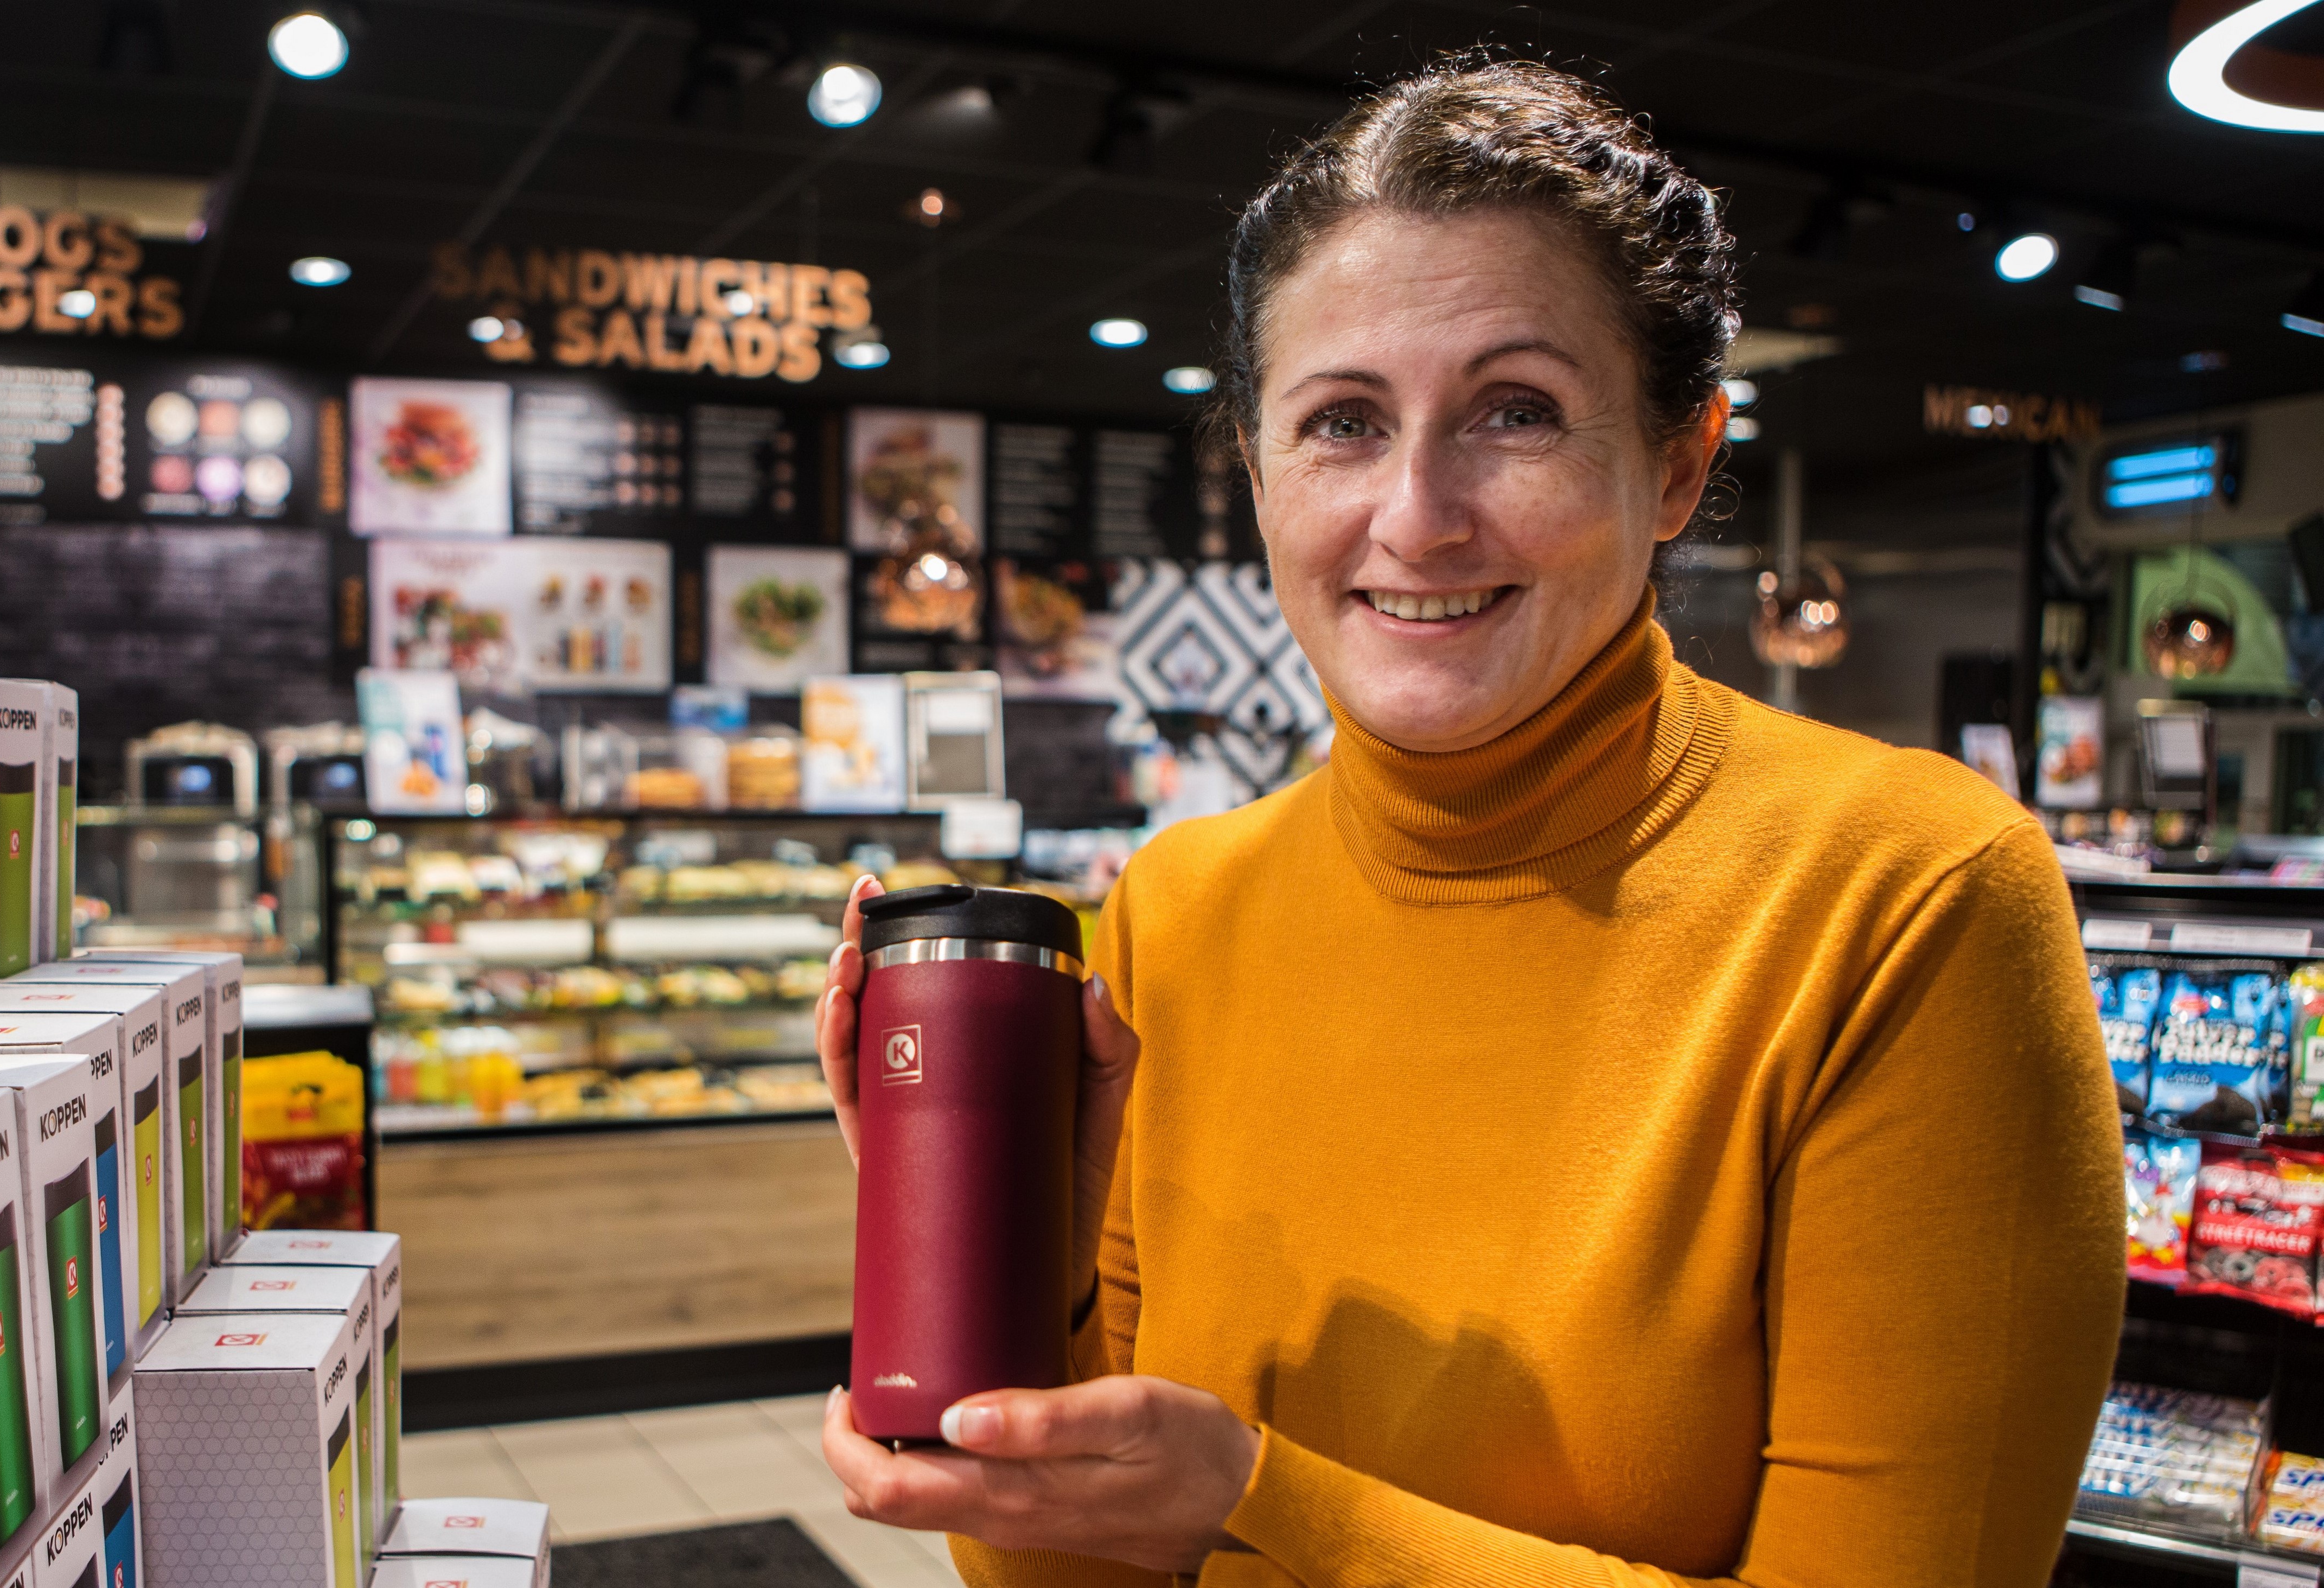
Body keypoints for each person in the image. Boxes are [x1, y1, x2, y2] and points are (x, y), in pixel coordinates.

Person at [814, 57, 2123, 1588]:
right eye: (1342, 423)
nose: (1418, 517)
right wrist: (993, 1289)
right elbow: (1069, 1578)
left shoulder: (1908, 894)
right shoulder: (1180, 905)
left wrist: (1255, 1504)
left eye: (1517, 413)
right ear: (1258, 476)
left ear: (1678, 465)